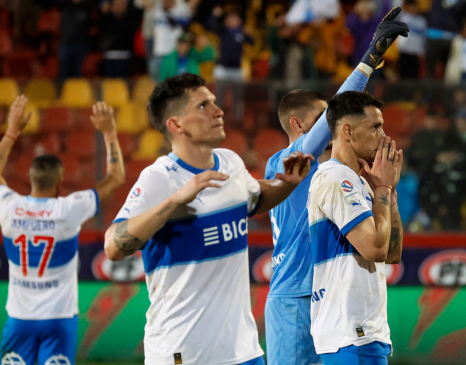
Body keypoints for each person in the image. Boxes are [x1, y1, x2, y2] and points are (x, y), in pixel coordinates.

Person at [103, 73, 314, 365]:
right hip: (183, 353)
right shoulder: (159, 178)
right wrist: (174, 202)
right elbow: (113, 246)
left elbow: (255, 197)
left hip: (243, 350)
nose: (218, 110)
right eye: (203, 106)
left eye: (214, 102)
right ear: (175, 125)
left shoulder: (230, 162)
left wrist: (287, 184)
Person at [264, 8, 408, 365]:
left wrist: (384, 190)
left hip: (326, 298)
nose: (330, 124)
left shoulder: (345, 172)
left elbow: (387, 250)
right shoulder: (288, 162)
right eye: (321, 120)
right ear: (298, 127)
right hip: (295, 293)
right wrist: (370, 59)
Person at [0, 96, 125, 365]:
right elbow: (116, 178)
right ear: (60, 181)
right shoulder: (68, 210)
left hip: (20, 318)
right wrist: (109, 132)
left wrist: (12, 131)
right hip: (60, 319)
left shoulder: (9, 208)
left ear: (29, 178)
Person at [308, 90, 403, 363]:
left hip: (365, 331)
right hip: (349, 333)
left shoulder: (360, 181)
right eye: (375, 127)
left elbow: (391, 252)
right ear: (347, 131)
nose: (383, 136)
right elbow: (374, 248)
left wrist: (389, 195)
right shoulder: (337, 178)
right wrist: (382, 188)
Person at [207, 6, 254, 123]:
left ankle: (238, 121)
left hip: (236, 70)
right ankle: (218, 118)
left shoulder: (242, 33)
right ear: (227, 21)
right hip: (222, 69)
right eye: (230, 19)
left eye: (235, 19)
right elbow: (210, 26)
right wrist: (215, 15)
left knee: (238, 98)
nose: (233, 21)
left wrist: (249, 33)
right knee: (219, 97)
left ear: (239, 21)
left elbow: (252, 42)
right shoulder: (223, 31)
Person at [99, 0, 142, 78]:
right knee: (108, 85)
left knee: (123, 85)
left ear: (126, 7)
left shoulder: (131, 19)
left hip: (125, 56)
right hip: (108, 56)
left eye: (122, 5)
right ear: (111, 6)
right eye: (116, 5)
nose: (119, 7)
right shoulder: (105, 19)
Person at [396, 0, 426, 79]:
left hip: (415, 52)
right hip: (404, 51)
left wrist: (422, 51)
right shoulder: (403, 18)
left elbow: (423, 38)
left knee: (413, 76)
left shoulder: (422, 21)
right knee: (402, 75)